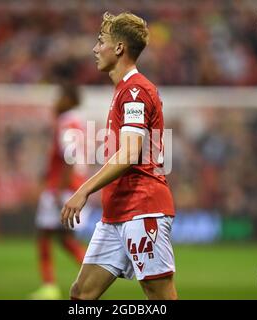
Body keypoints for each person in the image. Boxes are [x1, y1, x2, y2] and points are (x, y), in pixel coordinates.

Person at [61, 12, 177, 300]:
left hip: (142, 209)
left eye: (101, 41)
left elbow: (128, 154)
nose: (95, 48)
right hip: (116, 214)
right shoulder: (124, 90)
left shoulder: (135, 91)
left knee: (160, 297)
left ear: (119, 48)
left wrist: (83, 190)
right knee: (81, 294)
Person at [30, 83, 90, 300]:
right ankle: (93, 272)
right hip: (74, 185)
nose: (55, 102)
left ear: (68, 99)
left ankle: (49, 287)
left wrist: (60, 189)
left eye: (59, 97)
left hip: (62, 187)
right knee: (65, 239)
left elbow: (70, 156)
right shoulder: (79, 122)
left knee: (44, 235)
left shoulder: (65, 122)